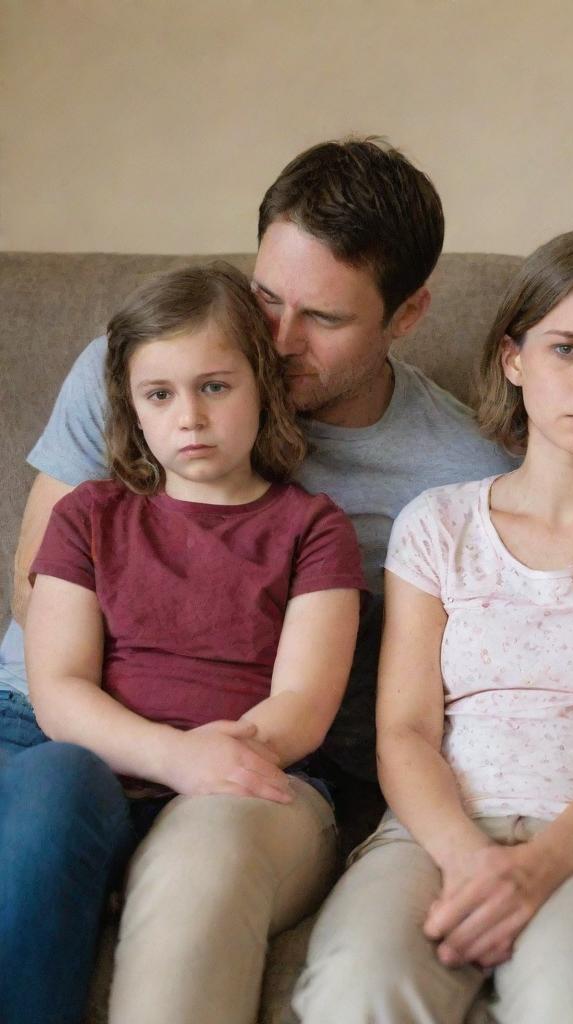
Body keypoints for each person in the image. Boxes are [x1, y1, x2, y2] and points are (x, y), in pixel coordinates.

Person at [0, 139, 510, 1024]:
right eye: (266, 296)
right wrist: (140, 745)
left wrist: (215, 756)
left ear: (408, 313)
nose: (275, 341)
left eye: (324, 318)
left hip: (256, 750)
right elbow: (34, 589)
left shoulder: (456, 473)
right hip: (45, 721)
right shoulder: (142, 369)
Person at [292, 229, 573, 1024]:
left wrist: (539, 868)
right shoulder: (437, 523)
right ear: (514, 358)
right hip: (434, 837)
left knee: (571, 995)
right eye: (566, 349)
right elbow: (402, 729)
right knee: (356, 985)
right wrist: (470, 858)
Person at [19, 263, 364, 1024]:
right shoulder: (88, 517)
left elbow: (302, 705)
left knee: (204, 845)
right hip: (110, 774)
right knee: (49, 788)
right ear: (132, 409)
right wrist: (172, 756)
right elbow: (58, 690)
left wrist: (216, 760)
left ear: (263, 388)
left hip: (263, 783)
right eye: (160, 395)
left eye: (216, 387)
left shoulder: (313, 528)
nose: (191, 418)